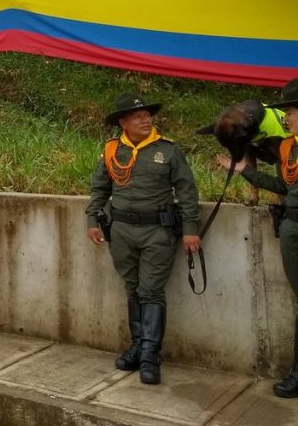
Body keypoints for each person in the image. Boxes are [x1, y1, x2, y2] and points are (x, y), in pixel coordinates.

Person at [86, 92, 201, 386]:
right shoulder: (112, 150)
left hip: (157, 231)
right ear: (123, 122)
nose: (145, 119)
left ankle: (150, 354)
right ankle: (137, 345)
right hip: (122, 231)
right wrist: (92, 220)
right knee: (133, 288)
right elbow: (100, 187)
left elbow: (187, 191)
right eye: (137, 116)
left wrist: (190, 229)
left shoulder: (168, 151)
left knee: (151, 290)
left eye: (147, 115)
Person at [221, 78, 298, 397]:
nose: (287, 118)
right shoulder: (287, 147)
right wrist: (243, 171)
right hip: (292, 228)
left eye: (292, 112)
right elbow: (283, 187)